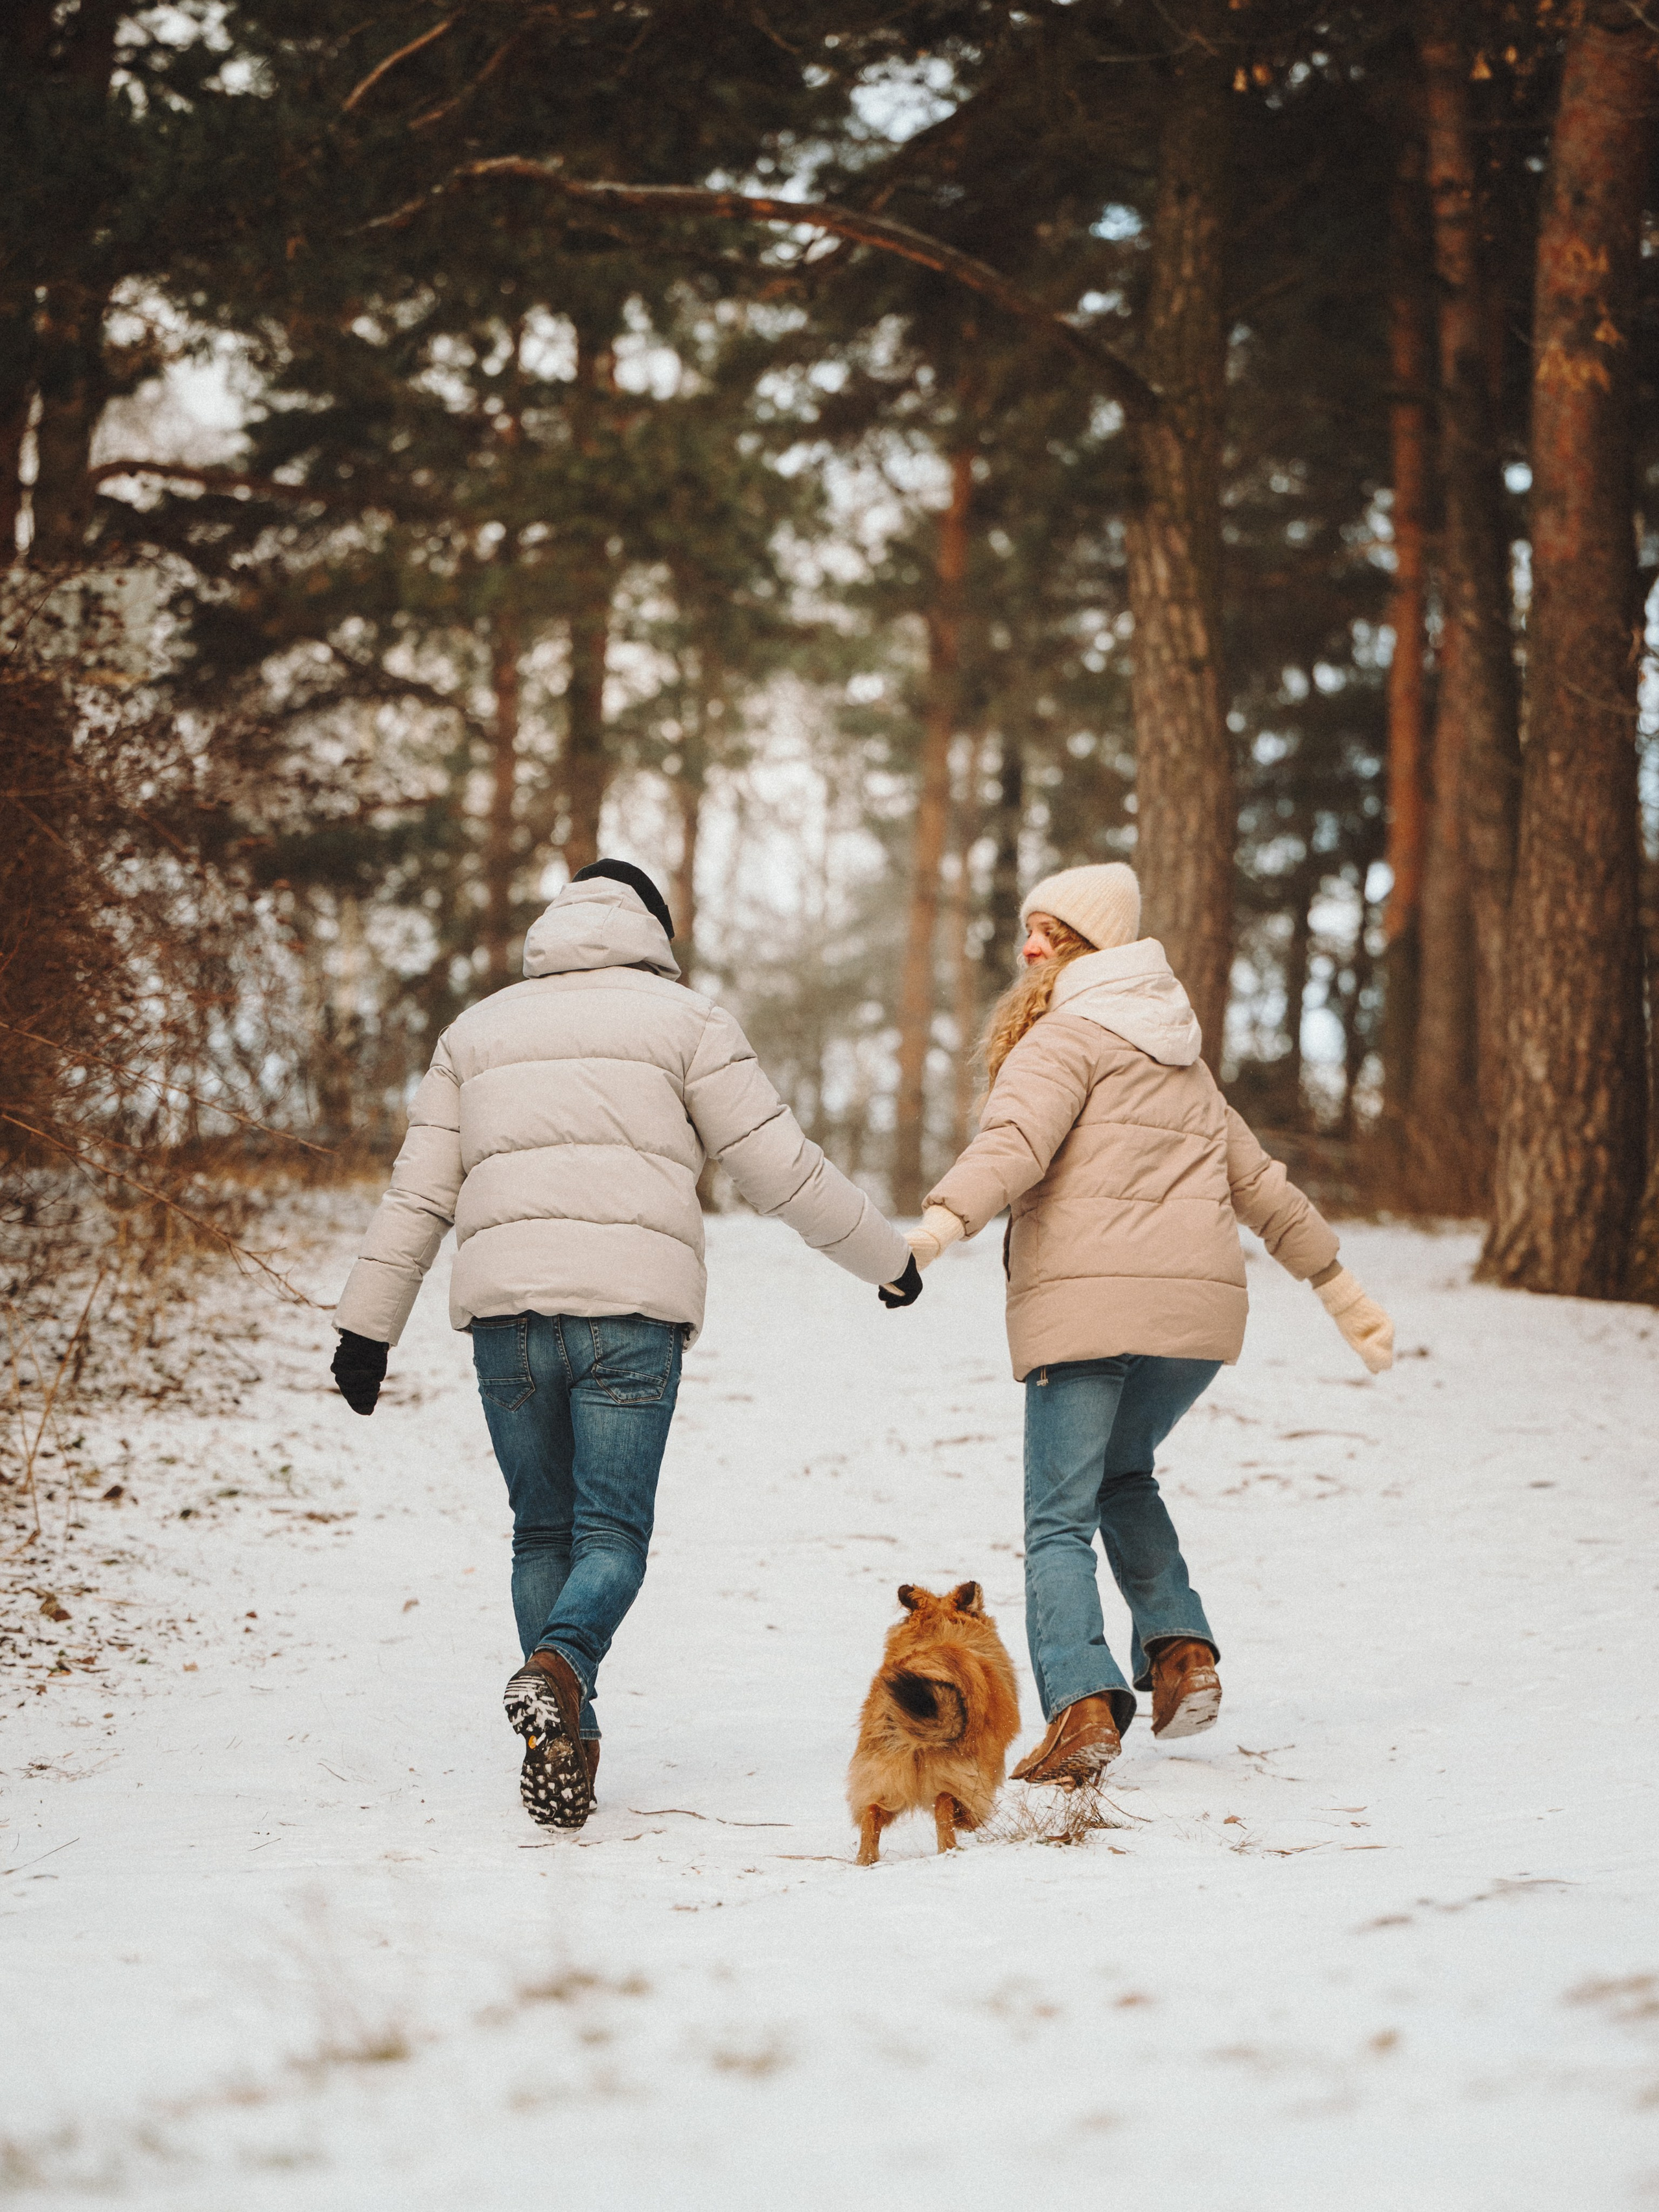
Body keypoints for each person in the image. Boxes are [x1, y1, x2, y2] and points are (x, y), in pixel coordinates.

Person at [327, 861, 921, 1830]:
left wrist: (366, 1326)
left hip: (508, 1324)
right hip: (630, 1322)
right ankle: (560, 1667)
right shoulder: (687, 1023)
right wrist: (885, 1257)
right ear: (654, 930)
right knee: (611, 1535)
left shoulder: (476, 1031)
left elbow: (420, 1193)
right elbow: (779, 1165)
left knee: (540, 1532)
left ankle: (569, 1739)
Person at [905, 862, 1393, 1787]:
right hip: (1193, 1324)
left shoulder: (1062, 1041)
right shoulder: (1184, 1059)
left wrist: (935, 1230)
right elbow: (1262, 1185)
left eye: (1048, 929)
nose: (1029, 944)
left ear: (1090, 946)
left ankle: (1082, 1707)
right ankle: (1180, 1651)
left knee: (1056, 1517)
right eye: (1029, 927)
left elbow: (1011, 1147)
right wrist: (1337, 1285)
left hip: (1088, 1314)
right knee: (1122, 1475)